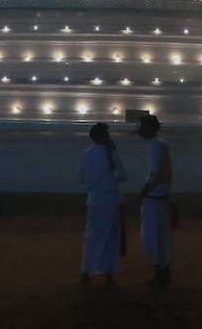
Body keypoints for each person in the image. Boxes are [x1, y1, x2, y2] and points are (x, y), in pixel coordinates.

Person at [78, 122, 127, 288]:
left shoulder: (85, 154)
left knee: (91, 235)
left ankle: (85, 272)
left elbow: (82, 179)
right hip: (109, 199)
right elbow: (123, 175)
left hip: (93, 199)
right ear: (104, 136)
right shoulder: (110, 154)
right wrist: (109, 179)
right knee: (110, 237)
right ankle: (108, 275)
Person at [136, 114, 173, 287]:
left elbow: (155, 174)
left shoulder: (154, 146)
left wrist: (142, 193)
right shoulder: (162, 144)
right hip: (162, 196)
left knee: (152, 236)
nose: (140, 131)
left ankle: (159, 272)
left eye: (142, 127)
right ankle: (164, 271)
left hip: (154, 197)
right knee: (162, 236)